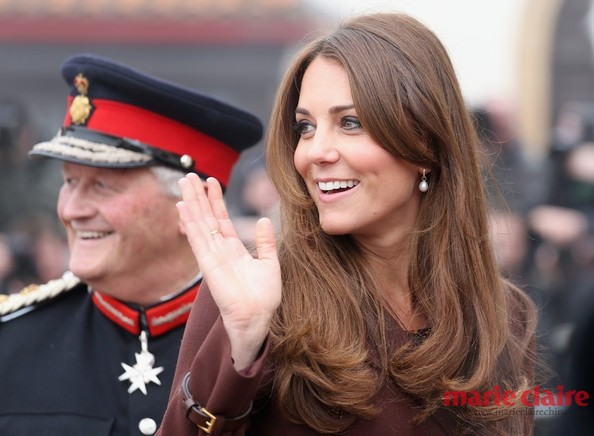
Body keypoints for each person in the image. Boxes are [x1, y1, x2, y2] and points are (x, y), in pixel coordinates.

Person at [157, 13, 537, 436]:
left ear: (425, 142)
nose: (314, 152)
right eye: (305, 127)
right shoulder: (256, 296)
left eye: (350, 123)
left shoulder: (503, 316)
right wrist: (241, 343)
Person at [0, 53, 263, 435]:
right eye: (69, 182)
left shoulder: (264, 349)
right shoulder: (13, 343)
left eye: (102, 186)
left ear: (192, 205)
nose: (71, 210)